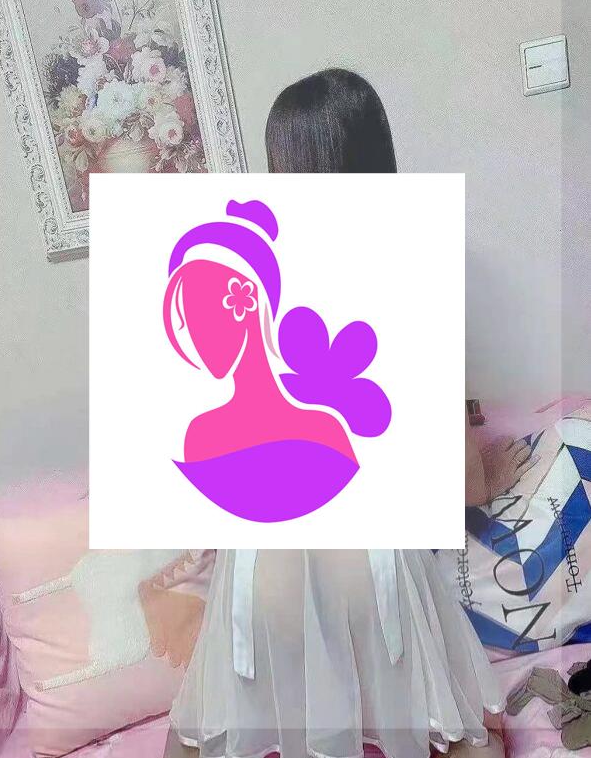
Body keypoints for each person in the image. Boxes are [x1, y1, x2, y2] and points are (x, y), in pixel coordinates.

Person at [165, 69, 530, 758]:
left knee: (198, 739)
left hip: (260, 575)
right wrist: (491, 470)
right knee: (468, 740)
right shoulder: (408, 284)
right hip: (367, 571)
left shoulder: (246, 283)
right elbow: (461, 486)